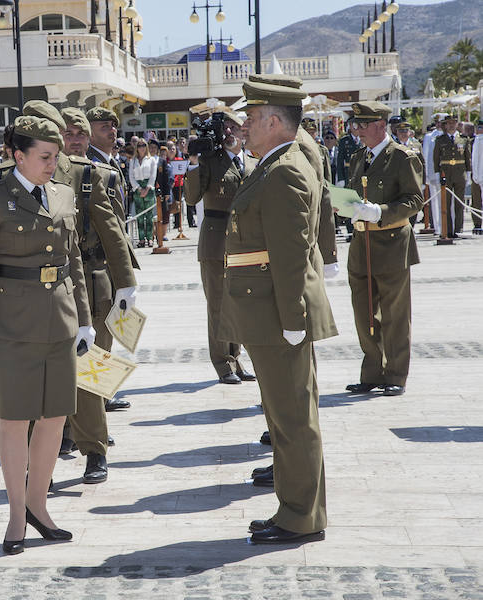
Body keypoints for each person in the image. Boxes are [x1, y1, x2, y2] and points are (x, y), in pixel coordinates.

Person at [0, 115, 94, 555]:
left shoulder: (63, 194)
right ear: (18, 155)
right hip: (11, 324)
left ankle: (39, 505)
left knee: (55, 416)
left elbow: (73, 261)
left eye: (55, 156)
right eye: (45, 156)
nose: (53, 164)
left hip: (59, 317)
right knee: (15, 419)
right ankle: (17, 513)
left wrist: (86, 318)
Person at [219, 75, 337, 544]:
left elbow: (291, 255)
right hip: (266, 312)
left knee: (292, 420)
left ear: (273, 121)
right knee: (285, 417)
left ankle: (302, 516)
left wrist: (292, 320)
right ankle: (293, 508)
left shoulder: (284, 168)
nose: (243, 126)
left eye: (250, 118)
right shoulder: (274, 163)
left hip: (277, 315)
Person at [61, 106, 138, 483]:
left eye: (79, 133)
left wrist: (125, 282)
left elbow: (114, 230)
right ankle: (61, 434)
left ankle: (94, 443)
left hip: (93, 277)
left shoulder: (95, 175)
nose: (74, 139)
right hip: (47, 286)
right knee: (58, 368)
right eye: (67, 132)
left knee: (92, 365)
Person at [345, 101, 424, 397]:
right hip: (361, 244)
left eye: (362, 125)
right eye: (356, 125)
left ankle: (395, 374)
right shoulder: (358, 157)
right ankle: (372, 372)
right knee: (363, 313)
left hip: (391, 243)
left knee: (394, 314)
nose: (358, 131)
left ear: (380, 125)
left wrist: (380, 212)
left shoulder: (402, 157)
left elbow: (414, 199)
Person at [184, 111, 258, 385]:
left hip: (245, 242)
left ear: (243, 131)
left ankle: (236, 358)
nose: (229, 132)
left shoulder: (251, 161)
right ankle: (222, 363)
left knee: (240, 303)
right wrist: (193, 161)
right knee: (217, 304)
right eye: (224, 127)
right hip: (216, 241)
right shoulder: (210, 161)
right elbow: (191, 198)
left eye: (234, 127)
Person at [433, 114, 472, 237]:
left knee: (459, 203)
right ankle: (447, 229)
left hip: (460, 173)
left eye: (453, 123)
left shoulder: (463, 139)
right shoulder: (440, 140)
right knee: (446, 203)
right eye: (448, 123)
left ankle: (458, 229)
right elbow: (436, 158)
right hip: (446, 173)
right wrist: (436, 173)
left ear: (456, 124)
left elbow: (467, 157)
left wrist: (469, 172)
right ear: (445, 125)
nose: (451, 125)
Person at [129, 140, 157, 247]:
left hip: (148, 187)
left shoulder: (151, 160)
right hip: (137, 187)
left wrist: (147, 188)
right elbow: (131, 176)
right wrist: (138, 188)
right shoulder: (133, 160)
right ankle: (141, 239)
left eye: (144, 146)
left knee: (149, 215)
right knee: (139, 216)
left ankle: (150, 238)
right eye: (139, 146)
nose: (141, 148)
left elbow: (153, 176)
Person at [471, 120, 483, 234]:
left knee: (479, 201)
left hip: (480, 175)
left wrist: (476, 176)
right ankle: (478, 223)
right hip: (480, 176)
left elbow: (475, 160)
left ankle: (479, 223)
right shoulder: (477, 140)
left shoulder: (479, 140)